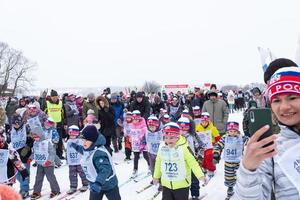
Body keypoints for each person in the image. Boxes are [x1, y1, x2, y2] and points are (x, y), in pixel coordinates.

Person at [232, 67, 300, 199]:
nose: (284, 107)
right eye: (276, 100)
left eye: (292, 97)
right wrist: (248, 170)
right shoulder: (270, 149)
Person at [153, 122, 205, 200]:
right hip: (166, 183)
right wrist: (156, 176)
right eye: (166, 137)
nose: (168, 140)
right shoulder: (162, 147)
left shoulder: (184, 148)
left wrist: (200, 176)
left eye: (171, 138)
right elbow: (158, 162)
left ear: (178, 136)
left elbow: (193, 163)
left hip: (182, 185)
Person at [71, 125, 121, 200]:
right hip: (95, 184)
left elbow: (105, 170)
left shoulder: (99, 154)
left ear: (93, 141)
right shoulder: (89, 148)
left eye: (86, 140)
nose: (83, 142)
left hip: (109, 184)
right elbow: (84, 151)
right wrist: (76, 147)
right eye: (83, 140)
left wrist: (98, 183)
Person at [213, 121, 248, 200]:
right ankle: (230, 189)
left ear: (237, 131)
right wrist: (216, 153)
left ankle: (241, 191)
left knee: (240, 177)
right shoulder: (225, 138)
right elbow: (219, 145)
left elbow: (248, 142)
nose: (232, 133)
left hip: (238, 162)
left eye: (234, 131)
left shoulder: (241, 138)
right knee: (229, 177)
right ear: (228, 131)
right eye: (230, 131)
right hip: (228, 162)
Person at [30, 120, 61, 199]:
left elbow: (52, 153)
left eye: (36, 137)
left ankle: (55, 190)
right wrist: (31, 158)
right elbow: (35, 152)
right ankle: (36, 191)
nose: (35, 139)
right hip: (40, 164)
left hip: (48, 164)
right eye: (34, 137)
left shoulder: (47, 143)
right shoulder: (35, 143)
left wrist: (49, 161)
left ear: (40, 135)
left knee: (50, 177)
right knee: (38, 177)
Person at [9, 114, 33, 199]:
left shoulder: (26, 128)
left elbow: (32, 139)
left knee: (24, 172)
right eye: (14, 123)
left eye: (17, 123)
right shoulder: (11, 130)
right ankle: (25, 185)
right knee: (18, 174)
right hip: (16, 154)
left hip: (25, 154)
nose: (16, 125)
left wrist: (27, 147)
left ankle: (24, 189)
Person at [195, 112, 220, 179]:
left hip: (210, 145)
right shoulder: (197, 127)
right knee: (201, 157)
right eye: (203, 121)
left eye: (206, 121)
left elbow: (217, 138)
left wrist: (217, 146)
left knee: (208, 156)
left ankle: (211, 169)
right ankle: (204, 167)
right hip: (201, 146)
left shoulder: (212, 128)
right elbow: (195, 136)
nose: (204, 123)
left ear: (208, 121)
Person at [66, 125, 89, 194]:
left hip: (79, 161)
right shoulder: (68, 141)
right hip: (71, 162)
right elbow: (67, 151)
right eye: (71, 133)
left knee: (82, 173)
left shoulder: (80, 141)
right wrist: (67, 159)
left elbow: (83, 149)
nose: (72, 135)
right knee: (72, 175)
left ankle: (85, 184)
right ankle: (73, 187)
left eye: (74, 133)